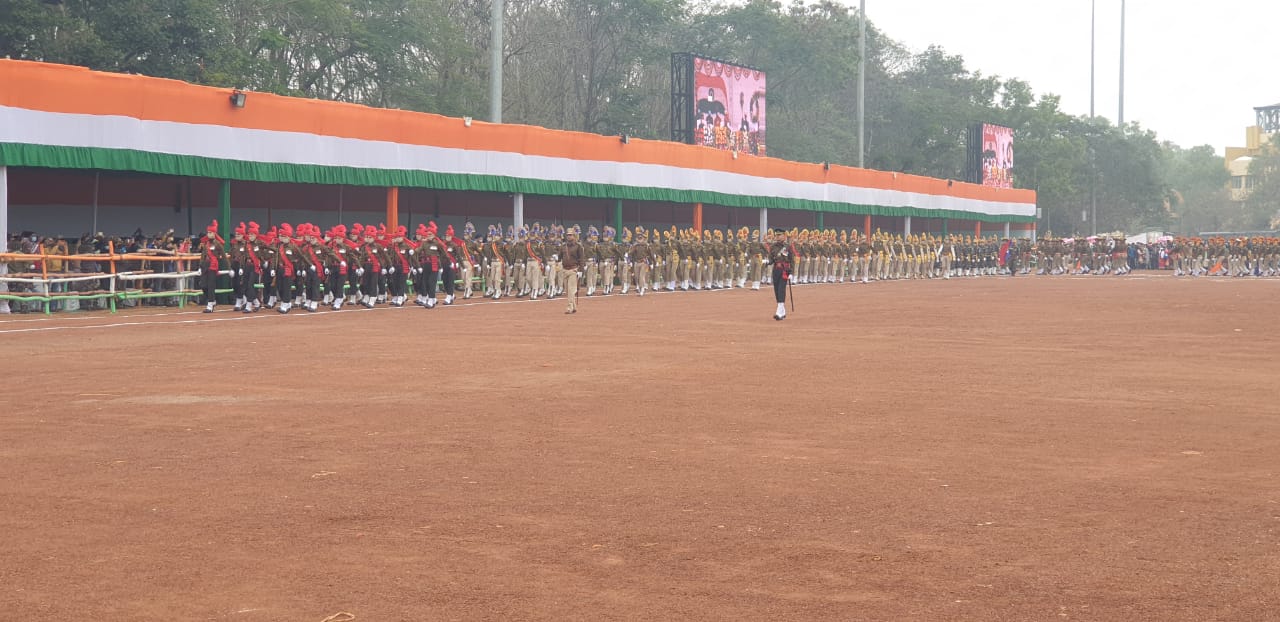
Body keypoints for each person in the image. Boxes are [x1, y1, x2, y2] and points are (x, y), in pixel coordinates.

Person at [767, 228, 793, 321]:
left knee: (781, 289)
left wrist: (791, 272)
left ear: (784, 236)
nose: (777, 237)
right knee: (776, 290)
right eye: (776, 235)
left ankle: (779, 312)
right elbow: (771, 259)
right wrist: (767, 262)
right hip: (776, 270)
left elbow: (791, 260)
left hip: (784, 270)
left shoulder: (787, 247)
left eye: (779, 235)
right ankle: (782, 311)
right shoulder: (772, 246)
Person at [559, 226, 586, 314]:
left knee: (571, 290)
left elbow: (581, 260)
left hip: (573, 270)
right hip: (565, 270)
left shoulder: (578, 246)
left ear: (574, 236)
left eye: (570, 235)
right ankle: (574, 306)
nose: (569, 236)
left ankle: (569, 307)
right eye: (568, 235)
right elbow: (560, 257)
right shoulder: (563, 246)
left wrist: (581, 271)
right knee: (567, 291)